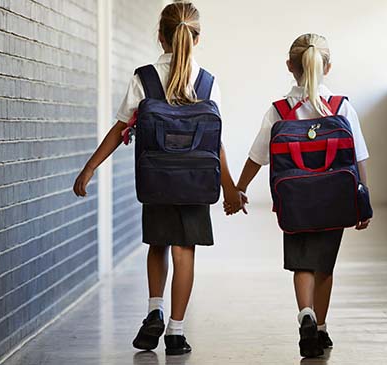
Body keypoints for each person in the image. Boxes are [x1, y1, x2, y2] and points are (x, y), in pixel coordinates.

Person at [73, 2, 245, 356]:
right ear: (197, 39)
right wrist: (230, 188)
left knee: (158, 245)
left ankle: (154, 309)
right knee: (185, 253)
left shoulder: (145, 77)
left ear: (160, 36)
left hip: (156, 180)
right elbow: (217, 143)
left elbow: (120, 127)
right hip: (197, 182)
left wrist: (90, 167)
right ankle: (176, 332)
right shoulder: (209, 82)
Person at [230, 33, 371, 358]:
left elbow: (257, 155)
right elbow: (359, 156)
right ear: (328, 67)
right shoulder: (341, 107)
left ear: (290, 66)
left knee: (302, 264)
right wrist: (363, 200)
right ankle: (320, 328)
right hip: (335, 199)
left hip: (294, 201)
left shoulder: (279, 110)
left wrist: (239, 188)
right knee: (325, 266)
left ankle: (305, 314)